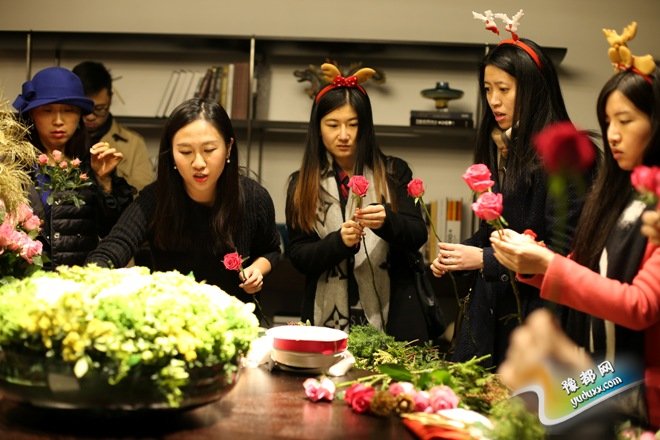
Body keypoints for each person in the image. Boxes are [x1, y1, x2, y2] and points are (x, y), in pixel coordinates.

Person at [491, 28, 660, 428]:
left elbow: (640, 306)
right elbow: (591, 271)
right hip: (603, 376)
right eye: (608, 121)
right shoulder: (621, 194)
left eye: (626, 121)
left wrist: (549, 264)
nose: (613, 134)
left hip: (641, 392)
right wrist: (534, 264)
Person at [430, 33, 595, 367]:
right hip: (496, 310)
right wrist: (458, 255)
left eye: (504, 89)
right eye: (488, 89)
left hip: (541, 316)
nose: (494, 101)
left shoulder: (566, 154)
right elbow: (495, 232)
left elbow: (565, 251)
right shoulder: (505, 144)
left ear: (533, 89)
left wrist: (483, 259)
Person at [285, 63, 429, 342]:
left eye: (353, 124)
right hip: (325, 321)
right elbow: (299, 256)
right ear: (317, 128)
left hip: (394, 317)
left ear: (366, 128)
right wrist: (339, 242)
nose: (343, 135)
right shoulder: (302, 183)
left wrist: (387, 221)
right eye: (333, 125)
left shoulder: (393, 172)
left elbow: (417, 233)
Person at [86, 98, 281, 304]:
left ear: (229, 147)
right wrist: (93, 275)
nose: (198, 163)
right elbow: (116, 244)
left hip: (236, 315)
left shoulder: (253, 198)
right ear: (171, 153)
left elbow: (271, 250)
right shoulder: (156, 198)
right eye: (185, 152)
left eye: (209, 150)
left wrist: (257, 270)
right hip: (173, 316)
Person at [13, 66, 134, 268]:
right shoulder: (13, 164)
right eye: (47, 111)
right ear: (32, 114)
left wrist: (104, 181)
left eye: (68, 111)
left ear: (80, 115)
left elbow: (115, 231)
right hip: (24, 278)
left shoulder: (92, 162)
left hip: (77, 279)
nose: (58, 121)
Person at [73, 61, 155, 192]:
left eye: (99, 109)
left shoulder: (133, 143)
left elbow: (145, 194)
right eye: (84, 109)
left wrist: (112, 179)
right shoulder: (60, 138)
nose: (90, 116)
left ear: (110, 99)